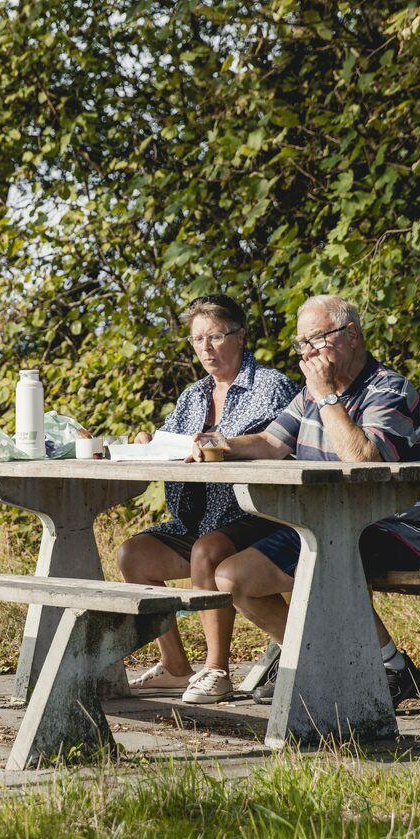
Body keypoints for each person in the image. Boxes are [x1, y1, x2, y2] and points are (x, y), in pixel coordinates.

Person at [192, 294, 420, 704]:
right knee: (233, 579)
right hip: (325, 522)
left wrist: (326, 397)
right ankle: (321, 661)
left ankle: (389, 667)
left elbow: (363, 459)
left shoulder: (387, 390)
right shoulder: (311, 395)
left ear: (352, 335)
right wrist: (218, 443)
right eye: (302, 343)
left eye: (317, 339)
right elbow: (270, 442)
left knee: (328, 560)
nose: (307, 353)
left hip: (389, 527)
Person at [117, 294, 298, 704]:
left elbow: (280, 444)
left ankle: (216, 670)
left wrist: (217, 443)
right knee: (134, 556)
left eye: (215, 336)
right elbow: (171, 442)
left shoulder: (271, 386)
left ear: (241, 335)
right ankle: (177, 667)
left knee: (206, 551)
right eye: (197, 340)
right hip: (196, 517)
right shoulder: (193, 395)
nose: (205, 349)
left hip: (258, 514)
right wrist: (148, 441)